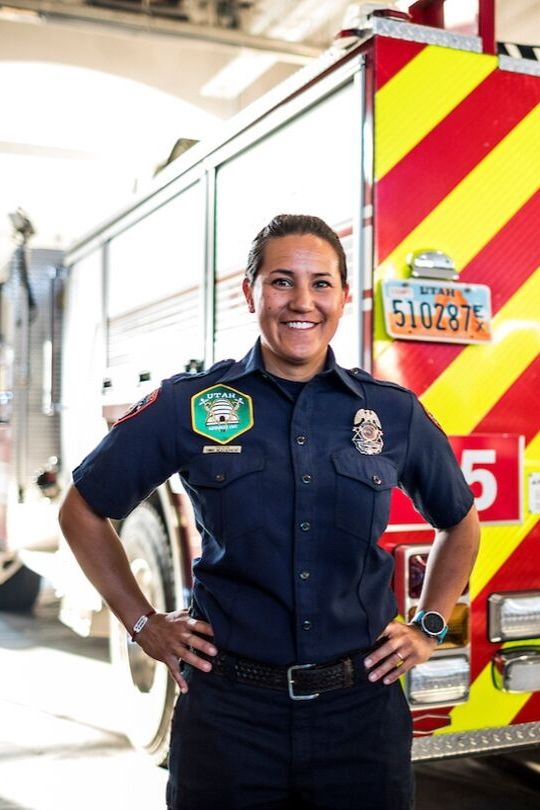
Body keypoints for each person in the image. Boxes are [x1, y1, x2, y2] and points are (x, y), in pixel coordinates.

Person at [59, 213, 480, 810]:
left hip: (360, 716)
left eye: (321, 283)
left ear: (342, 296)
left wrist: (430, 624)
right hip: (230, 719)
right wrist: (142, 622)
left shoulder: (392, 412)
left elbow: (459, 521)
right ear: (250, 292)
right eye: (282, 281)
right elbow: (82, 510)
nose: (301, 301)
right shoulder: (192, 404)